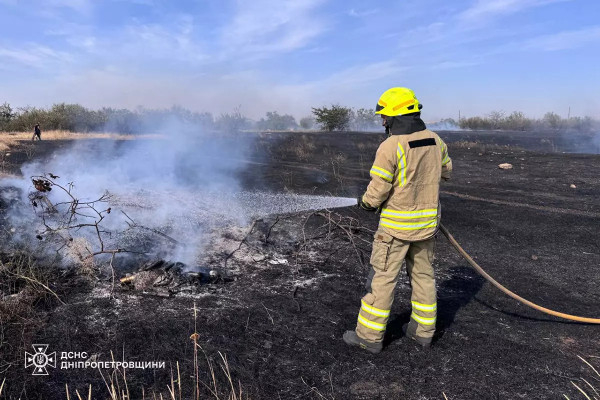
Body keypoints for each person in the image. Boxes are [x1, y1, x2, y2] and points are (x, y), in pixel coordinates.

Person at [343, 87, 452, 353]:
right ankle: (423, 332)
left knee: (381, 280)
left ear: (396, 115)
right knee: (424, 277)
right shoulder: (436, 140)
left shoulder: (391, 146)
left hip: (395, 229)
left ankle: (369, 337)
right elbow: (446, 172)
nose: (382, 121)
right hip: (427, 228)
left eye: (384, 116)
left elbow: (378, 190)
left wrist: (367, 203)